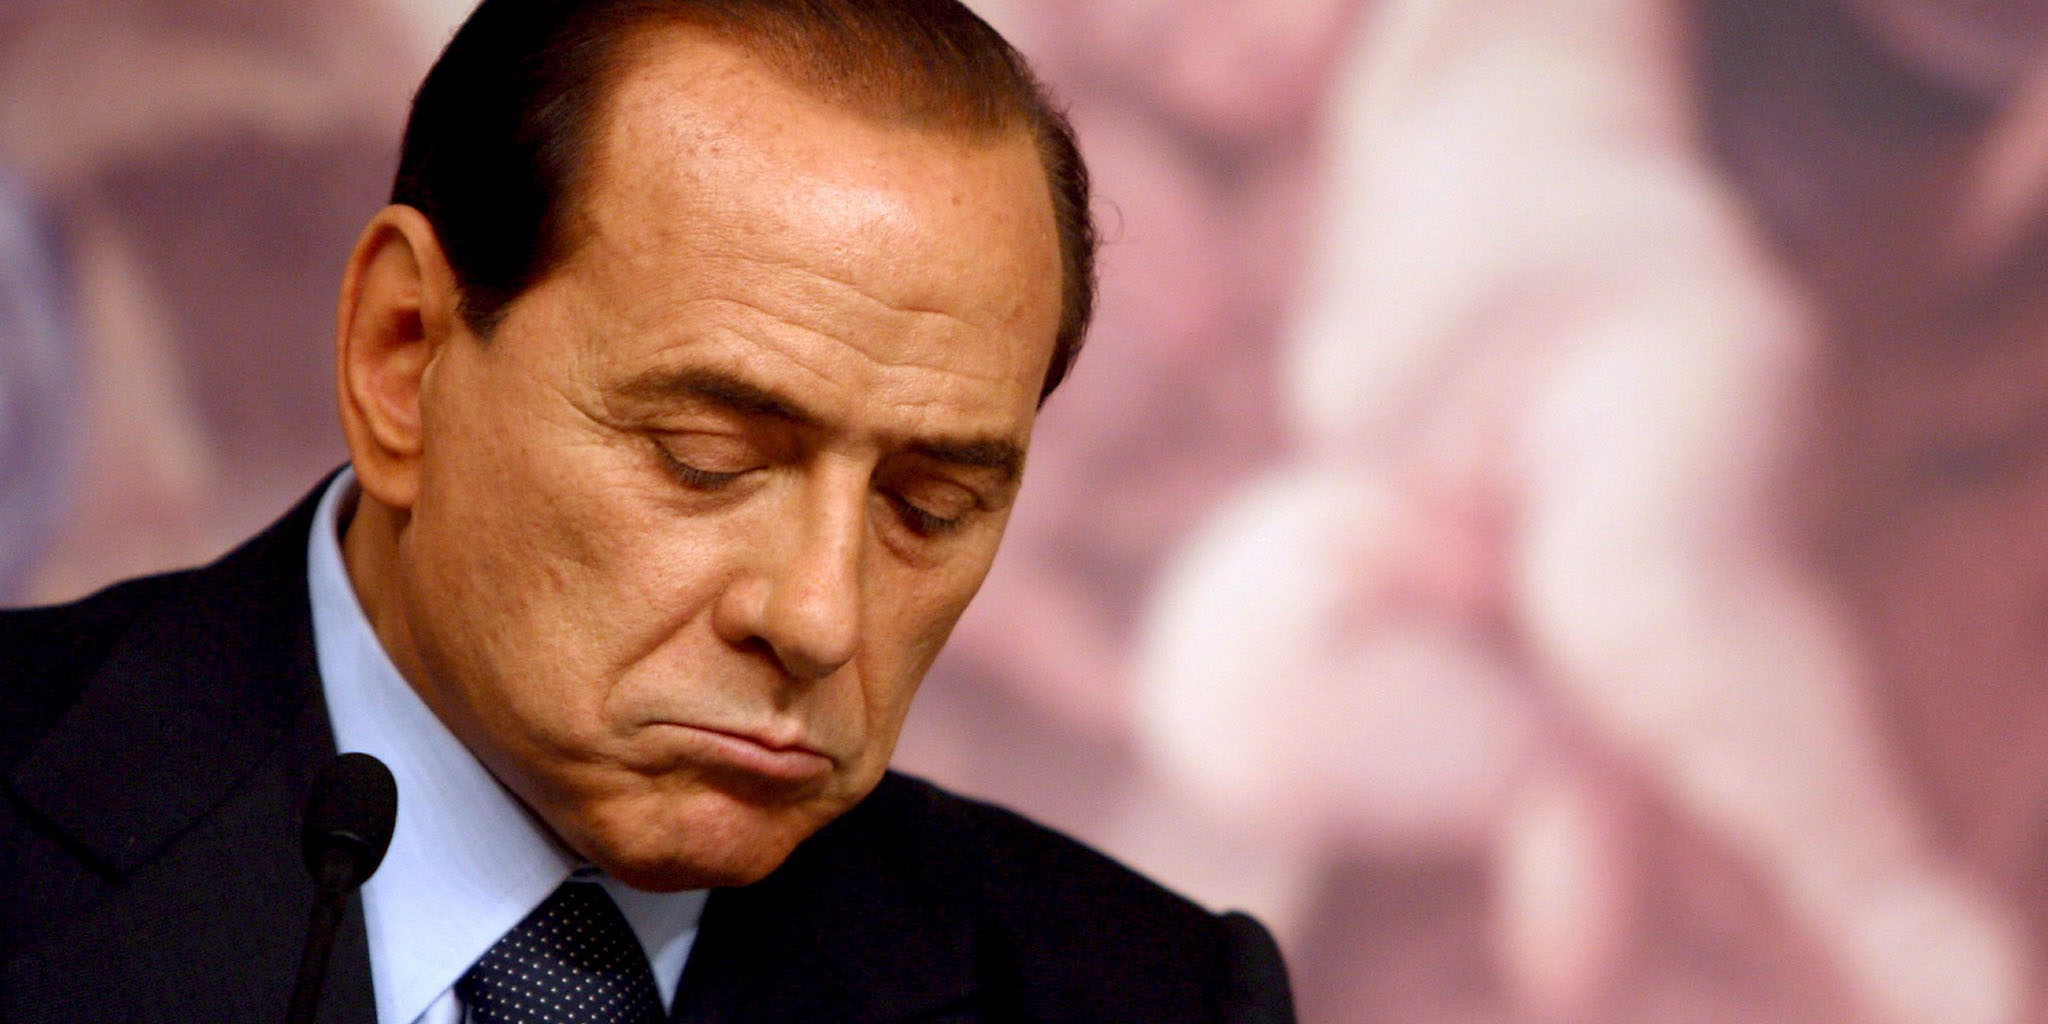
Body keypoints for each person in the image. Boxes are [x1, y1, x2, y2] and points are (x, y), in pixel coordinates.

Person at [0, 1, 1294, 1021]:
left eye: (929, 504)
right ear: (404, 355)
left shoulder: (1148, 994)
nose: (818, 617)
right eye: (706, 457)